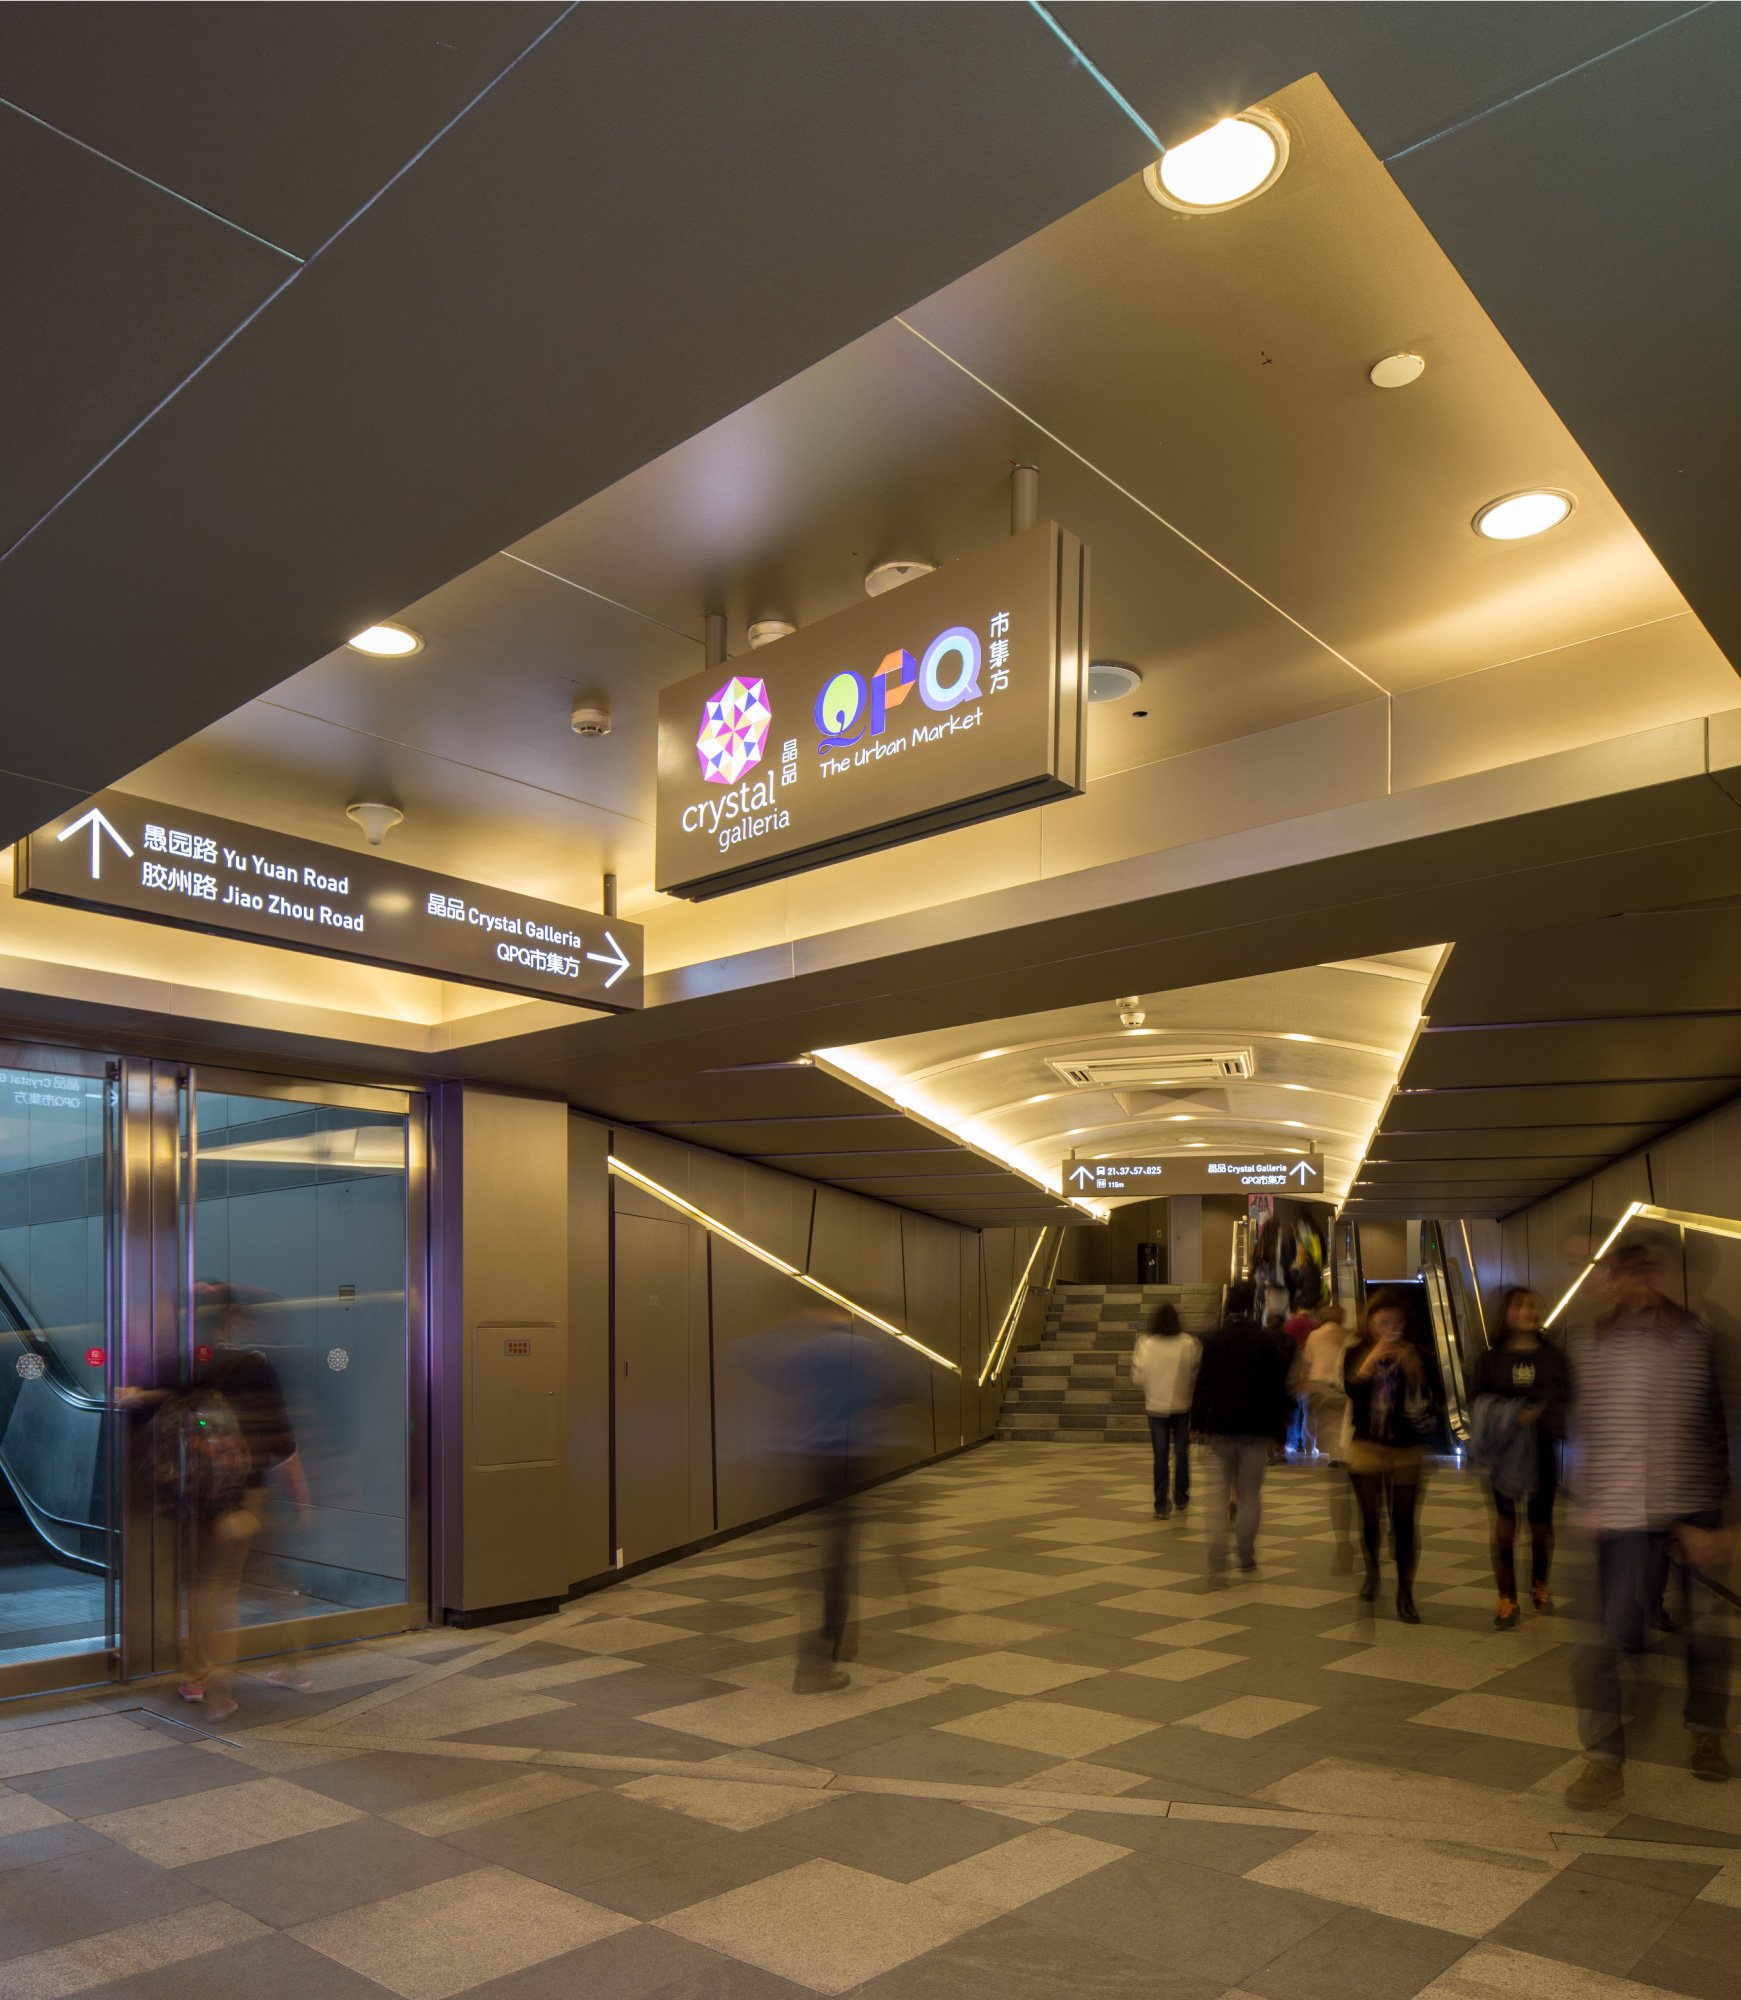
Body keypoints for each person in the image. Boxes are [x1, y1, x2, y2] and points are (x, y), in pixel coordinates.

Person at [1564, 1238, 1731, 1807]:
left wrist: (1717, 1523)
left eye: (1631, 1272)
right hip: (1621, 1513)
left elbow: (1726, 1423)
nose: (1618, 1283)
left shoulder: (1702, 1337)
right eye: (1613, 1273)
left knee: (1704, 1633)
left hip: (1693, 1508)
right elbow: (1589, 1425)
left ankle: (1705, 1733)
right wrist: (1589, 1499)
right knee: (1607, 1638)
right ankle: (1603, 1761)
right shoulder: (1594, 1341)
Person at [119, 1283, 310, 1719]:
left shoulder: (175, 1365)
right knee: (225, 1586)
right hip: (243, 1492)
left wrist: (133, 1395)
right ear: (230, 1321)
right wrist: (301, 1494)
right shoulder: (253, 1365)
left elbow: (133, 1399)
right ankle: (222, 1686)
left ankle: (193, 1678)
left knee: (201, 1583)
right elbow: (283, 1439)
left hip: (192, 1494)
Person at [1469, 1287, 1568, 1630]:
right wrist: (1512, 1416)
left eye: (1533, 1305)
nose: (1529, 1311)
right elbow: (1477, 1403)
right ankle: (1506, 1597)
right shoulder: (1491, 1359)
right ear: (1506, 1313)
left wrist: (1546, 1417)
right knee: (1506, 1527)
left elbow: (1566, 1396)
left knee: (1541, 1527)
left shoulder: (1552, 1355)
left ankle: (1539, 1582)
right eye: (1521, 1305)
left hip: (1542, 1451)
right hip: (1504, 1453)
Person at [1344, 1290, 1438, 1623]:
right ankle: (1372, 1569)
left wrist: (1413, 1368)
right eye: (1383, 1321)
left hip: (1407, 1448)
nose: (1391, 1328)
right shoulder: (1356, 1351)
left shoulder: (1419, 1354)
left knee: (1404, 1521)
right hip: (1367, 1445)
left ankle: (1405, 1593)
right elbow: (1351, 1389)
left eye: (1397, 1321)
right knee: (1370, 1518)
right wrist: (1372, 1359)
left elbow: (1433, 1398)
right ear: (1369, 1322)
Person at [1190, 1279, 1295, 1577]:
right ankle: (1246, 1555)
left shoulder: (1212, 1340)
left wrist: (1196, 1423)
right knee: (1249, 1494)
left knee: (1218, 1493)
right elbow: (1278, 1390)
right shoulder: (1267, 1342)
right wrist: (1280, 1433)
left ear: (1228, 1306)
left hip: (1220, 1426)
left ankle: (1217, 1556)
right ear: (1253, 1306)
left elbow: (1203, 1384)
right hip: (1257, 1428)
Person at [1130, 1301, 1200, 1518]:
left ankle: (1161, 1504)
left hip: (1155, 1406)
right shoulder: (1188, 1342)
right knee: (1181, 1453)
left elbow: (1137, 1377)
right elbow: (1195, 1374)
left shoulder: (1145, 1343)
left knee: (1160, 1455)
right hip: (1182, 1405)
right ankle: (1181, 1495)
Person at [1301, 1304, 1357, 1569]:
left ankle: (1343, 1545)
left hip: (1323, 1392)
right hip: (1346, 1396)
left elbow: (1308, 1363)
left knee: (1335, 1444)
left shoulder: (1314, 1336)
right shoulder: (1351, 1336)